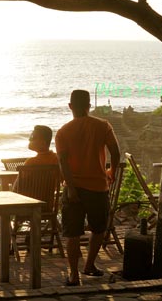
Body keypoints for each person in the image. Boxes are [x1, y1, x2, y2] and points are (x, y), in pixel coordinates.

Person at [56, 90, 120, 286]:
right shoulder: (102, 126)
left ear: (70, 106)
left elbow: (63, 163)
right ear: (89, 106)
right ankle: (90, 264)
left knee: (72, 234)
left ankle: (74, 275)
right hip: (97, 187)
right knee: (99, 229)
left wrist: (72, 188)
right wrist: (112, 172)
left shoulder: (63, 132)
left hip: (74, 188)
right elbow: (115, 153)